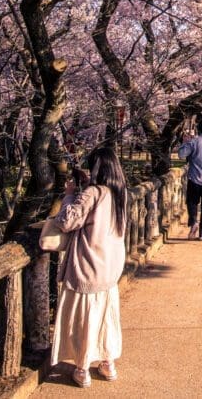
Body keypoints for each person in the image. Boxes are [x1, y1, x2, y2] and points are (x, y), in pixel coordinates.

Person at [50, 147, 128, 388]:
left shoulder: (93, 193)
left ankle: (82, 368)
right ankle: (107, 363)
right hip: (110, 267)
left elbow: (66, 221)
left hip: (88, 266)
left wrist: (70, 195)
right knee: (106, 317)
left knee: (84, 319)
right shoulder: (119, 193)